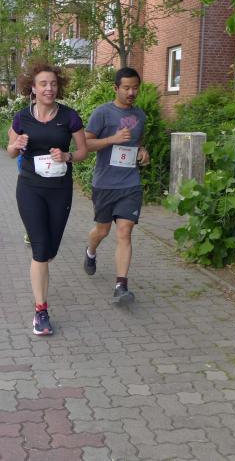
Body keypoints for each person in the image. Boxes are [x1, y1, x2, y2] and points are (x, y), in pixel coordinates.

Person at [7, 61, 88, 336]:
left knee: (50, 251)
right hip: (30, 187)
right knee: (41, 251)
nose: (49, 88)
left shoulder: (69, 116)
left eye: (53, 84)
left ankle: (41, 257)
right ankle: (41, 311)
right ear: (33, 88)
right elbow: (11, 151)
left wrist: (67, 156)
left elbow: (83, 151)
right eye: (43, 84)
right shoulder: (22, 118)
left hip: (60, 189)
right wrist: (16, 145)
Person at [82, 67, 150, 303]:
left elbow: (137, 142)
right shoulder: (102, 113)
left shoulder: (140, 115)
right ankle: (90, 251)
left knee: (125, 231)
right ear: (116, 88)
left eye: (135, 88)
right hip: (105, 183)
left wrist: (142, 151)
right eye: (126, 88)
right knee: (102, 231)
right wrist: (112, 139)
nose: (131, 93)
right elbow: (85, 145)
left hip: (130, 183)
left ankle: (121, 286)